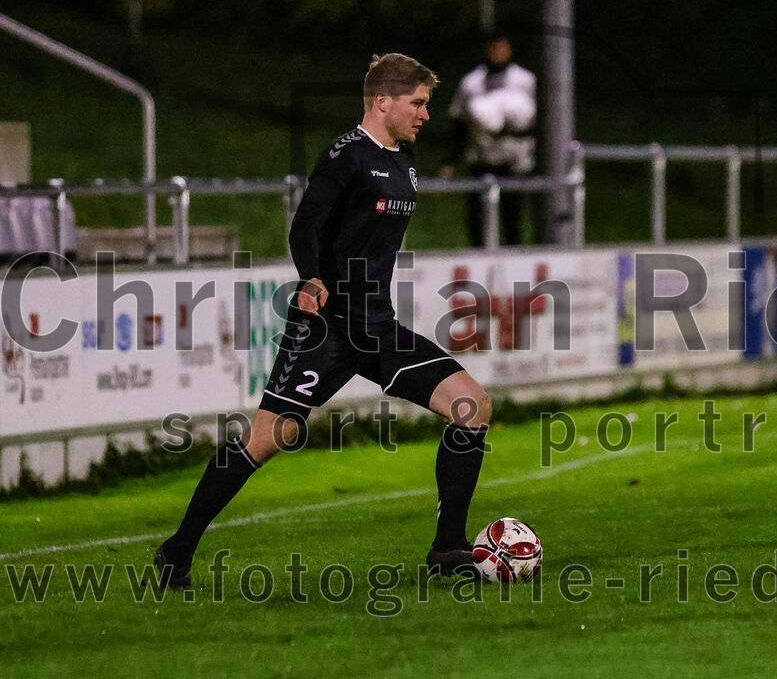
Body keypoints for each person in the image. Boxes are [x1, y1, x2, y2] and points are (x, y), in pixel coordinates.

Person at [155, 53, 492, 588]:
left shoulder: (404, 164)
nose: (427, 114)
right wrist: (311, 278)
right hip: (326, 328)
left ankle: (448, 547)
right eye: (419, 102)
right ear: (383, 101)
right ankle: (177, 549)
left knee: (472, 407)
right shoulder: (346, 156)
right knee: (268, 439)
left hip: (377, 328)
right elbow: (305, 226)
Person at [441, 33, 543, 246]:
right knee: (478, 220)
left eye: (502, 47)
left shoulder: (525, 80)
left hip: (515, 161)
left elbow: (540, 123)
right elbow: (459, 123)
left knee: (512, 220)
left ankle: (512, 265)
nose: (497, 53)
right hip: (481, 158)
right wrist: (449, 161)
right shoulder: (471, 83)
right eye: (493, 48)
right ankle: (479, 265)